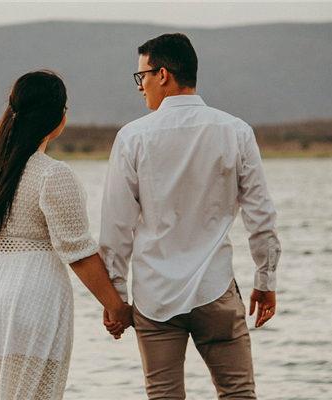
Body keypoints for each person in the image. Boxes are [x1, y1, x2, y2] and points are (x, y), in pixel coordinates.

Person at [99, 33, 281, 399]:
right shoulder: (235, 131)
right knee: (238, 394)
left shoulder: (133, 137)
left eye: (142, 76)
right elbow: (260, 214)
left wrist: (115, 298)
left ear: (163, 74)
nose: (140, 87)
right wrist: (266, 279)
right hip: (215, 288)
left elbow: (116, 227)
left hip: (155, 296)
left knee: (163, 395)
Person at [0, 70, 132, 400]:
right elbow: (78, 252)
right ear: (57, 117)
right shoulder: (52, 174)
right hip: (31, 299)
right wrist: (116, 307)